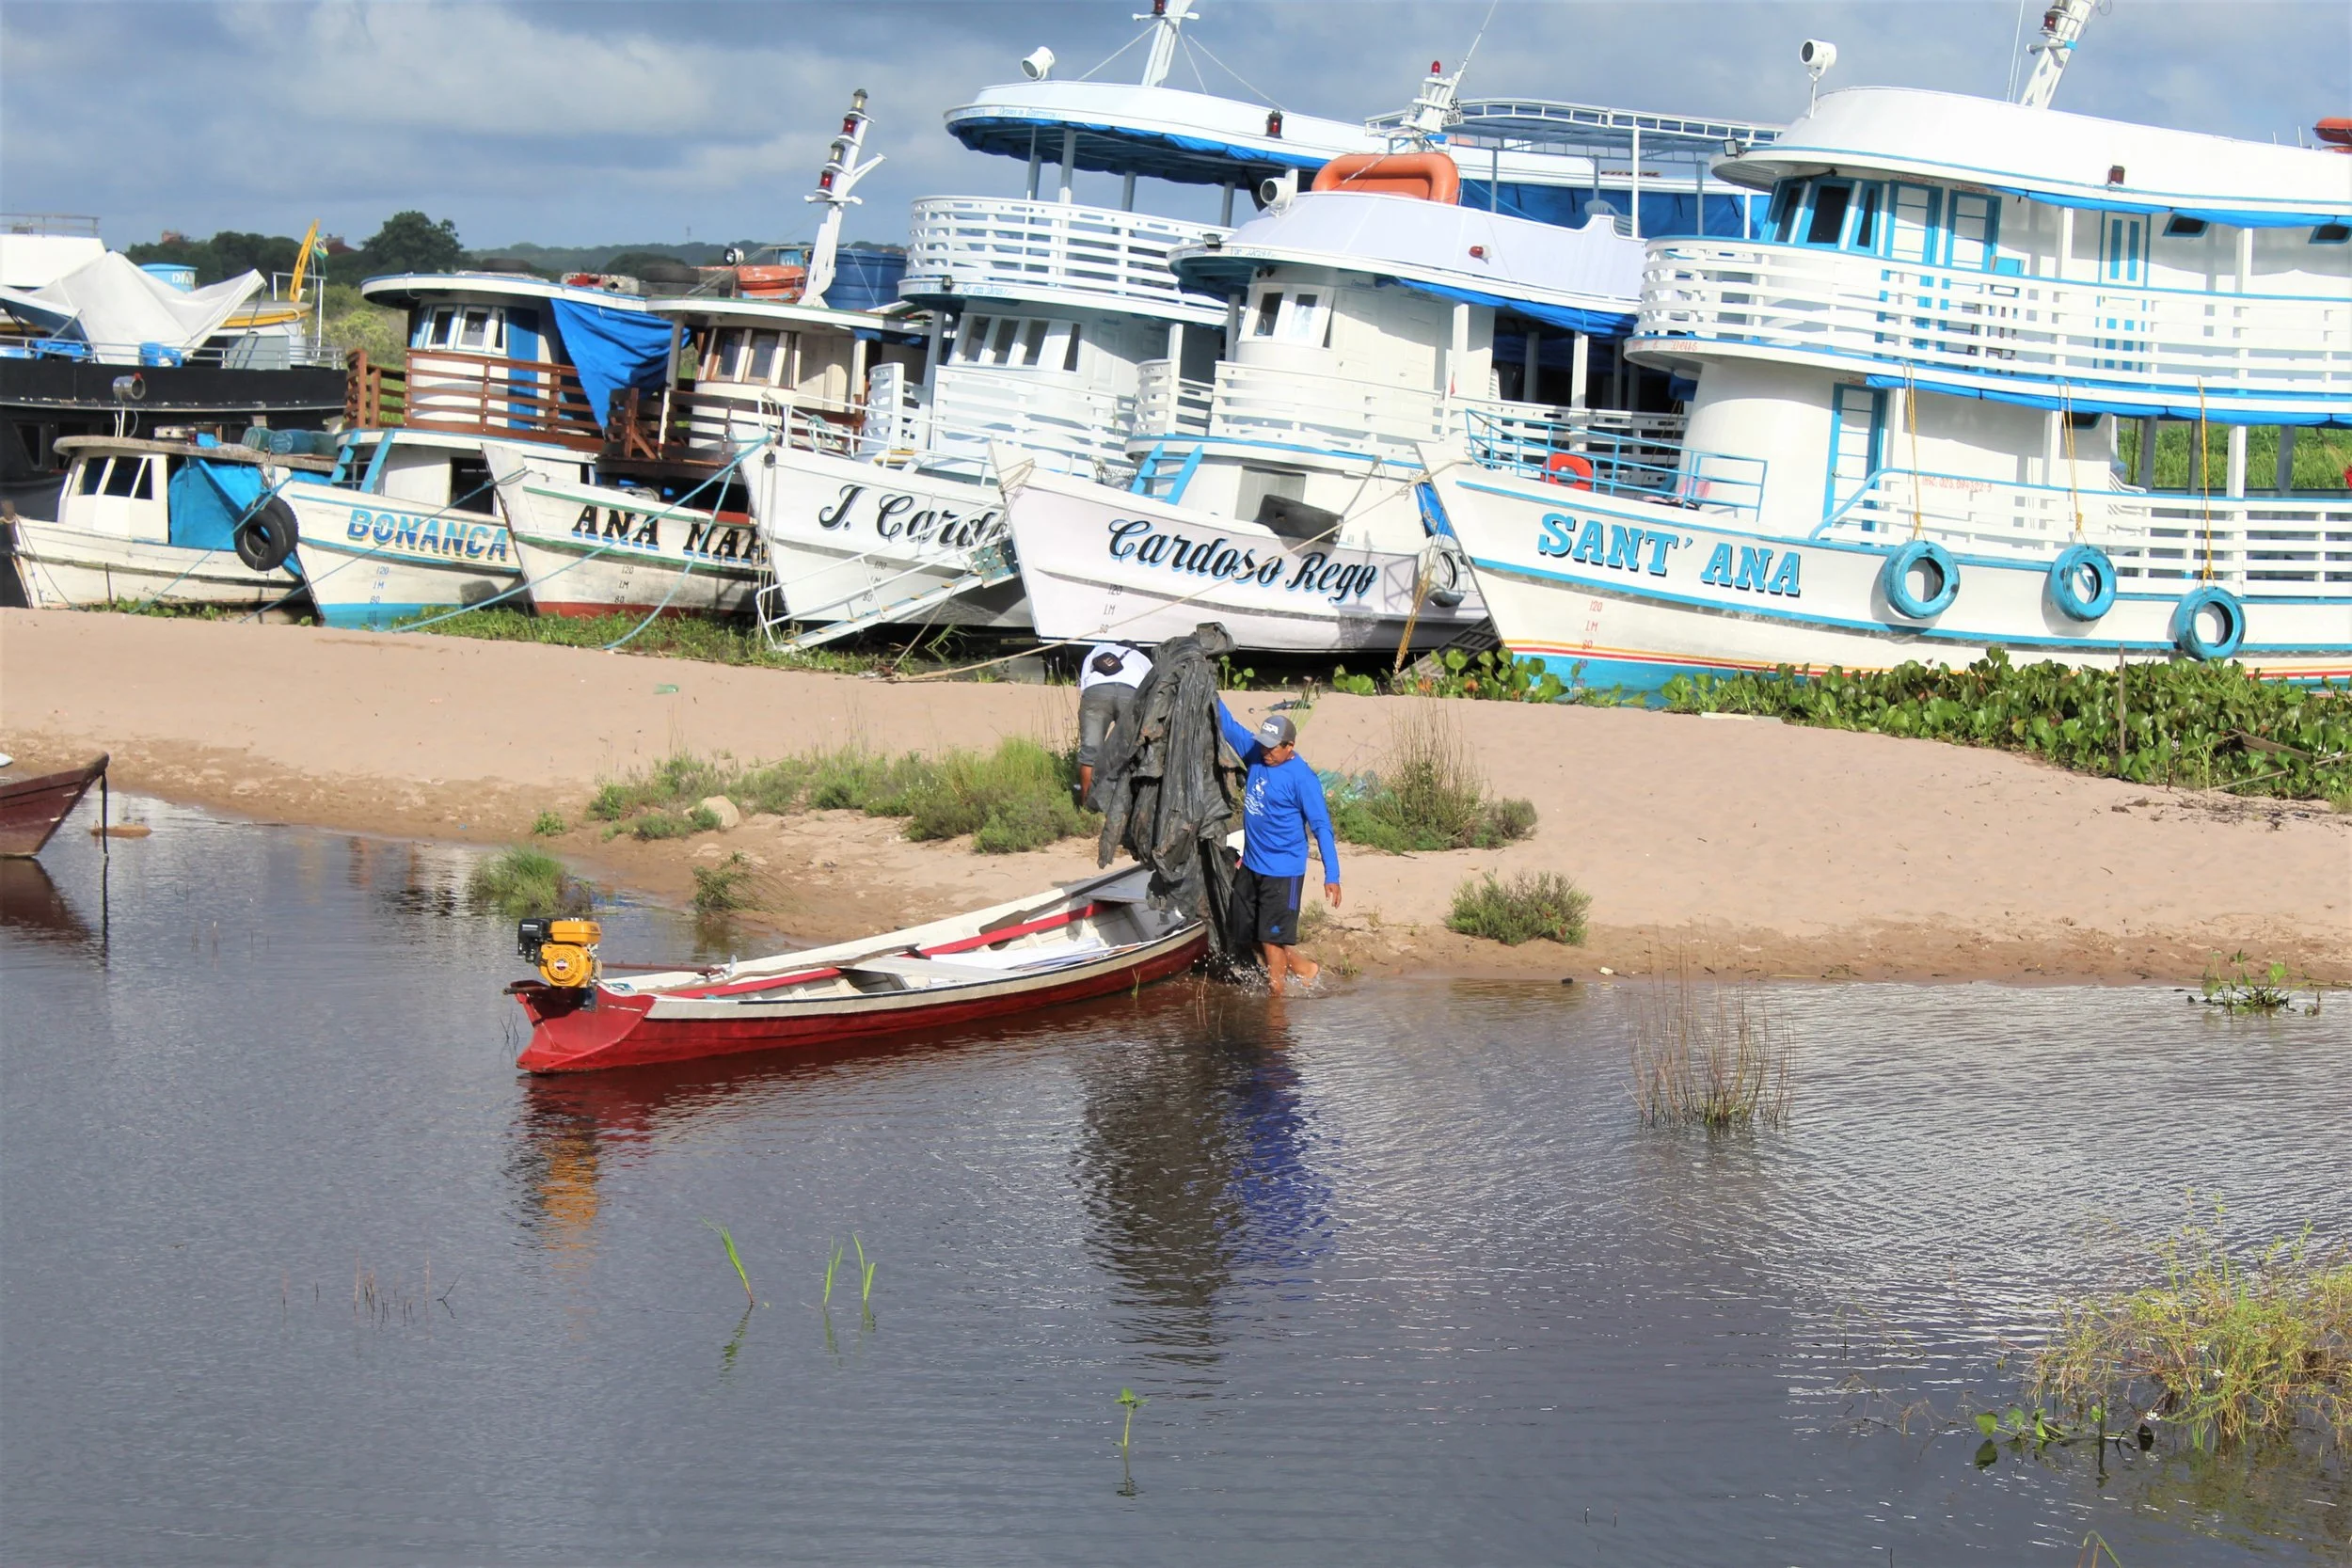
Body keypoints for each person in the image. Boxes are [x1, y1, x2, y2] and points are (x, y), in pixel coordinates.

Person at [1215, 704, 1341, 992]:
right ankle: (1304, 968)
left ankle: (1276, 1002)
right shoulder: (1256, 754)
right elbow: (1229, 724)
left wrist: (1331, 875)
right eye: (1263, 746)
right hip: (1251, 865)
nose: (1266, 752)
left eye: (1273, 748)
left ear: (1289, 746)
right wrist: (1202, 678)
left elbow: (1322, 827)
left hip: (1284, 871)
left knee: (1271, 938)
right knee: (1246, 931)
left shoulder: (1302, 778)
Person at [1076, 641, 1154, 799]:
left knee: (1090, 753)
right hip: (1131, 693)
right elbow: (1150, 691)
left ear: (1116, 646)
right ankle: (1118, 807)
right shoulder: (1144, 659)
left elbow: (1084, 685)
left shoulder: (1098, 650)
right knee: (1126, 752)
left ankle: (1085, 808)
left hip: (1097, 691)